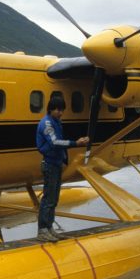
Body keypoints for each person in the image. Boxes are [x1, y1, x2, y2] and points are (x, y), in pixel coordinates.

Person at [36, 96, 89, 242]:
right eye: (58, 110)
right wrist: (76, 143)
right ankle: (42, 230)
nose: (61, 113)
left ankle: (49, 227)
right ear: (51, 109)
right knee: (48, 198)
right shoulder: (47, 124)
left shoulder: (56, 122)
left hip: (56, 163)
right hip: (50, 164)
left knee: (54, 198)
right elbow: (55, 142)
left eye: (62, 110)